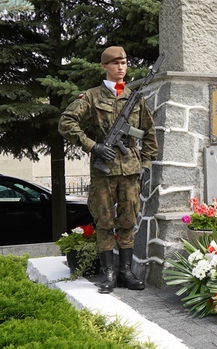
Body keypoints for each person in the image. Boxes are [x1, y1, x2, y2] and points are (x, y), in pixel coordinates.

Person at [59, 46, 159, 293]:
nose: (121, 67)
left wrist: (144, 164)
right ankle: (109, 274)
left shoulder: (135, 98)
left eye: (124, 62)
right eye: (115, 63)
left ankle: (125, 272)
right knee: (104, 221)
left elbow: (149, 134)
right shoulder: (92, 97)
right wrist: (93, 146)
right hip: (104, 171)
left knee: (128, 220)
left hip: (130, 171)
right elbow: (66, 123)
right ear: (105, 66)